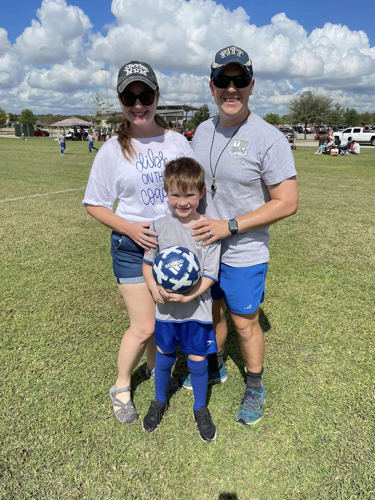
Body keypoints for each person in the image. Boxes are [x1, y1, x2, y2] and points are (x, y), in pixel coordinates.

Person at [189, 45, 298, 426]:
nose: (230, 89)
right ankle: (216, 364)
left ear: (251, 85)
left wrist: (230, 225)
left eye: (239, 81)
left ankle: (255, 385)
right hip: (205, 245)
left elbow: (287, 202)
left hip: (244, 248)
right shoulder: (202, 130)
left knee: (243, 321)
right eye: (223, 80)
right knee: (212, 309)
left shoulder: (270, 138)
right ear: (212, 85)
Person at [82, 60, 191, 424]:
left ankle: (152, 369)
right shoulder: (112, 150)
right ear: (121, 100)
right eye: (130, 96)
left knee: (160, 321)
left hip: (172, 245)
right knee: (143, 326)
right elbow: (94, 204)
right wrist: (130, 229)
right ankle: (122, 385)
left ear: (157, 96)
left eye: (145, 94)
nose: (138, 103)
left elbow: (189, 190)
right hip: (132, 248)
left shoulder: (176, 141)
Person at [142, 157, 220, 442]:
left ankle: (200, 408)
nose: (182, 201)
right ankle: (159, 400)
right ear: (166, 192)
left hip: (197, 311)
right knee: (164, 358)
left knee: (197, 360)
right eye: (176, 194)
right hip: (165, 312)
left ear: (201, 193)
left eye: (189, 194)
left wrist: (189, 293)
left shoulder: (209, 228)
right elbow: (148, 264)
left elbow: (210, 275)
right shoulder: (158, 226)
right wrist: (152, 287)